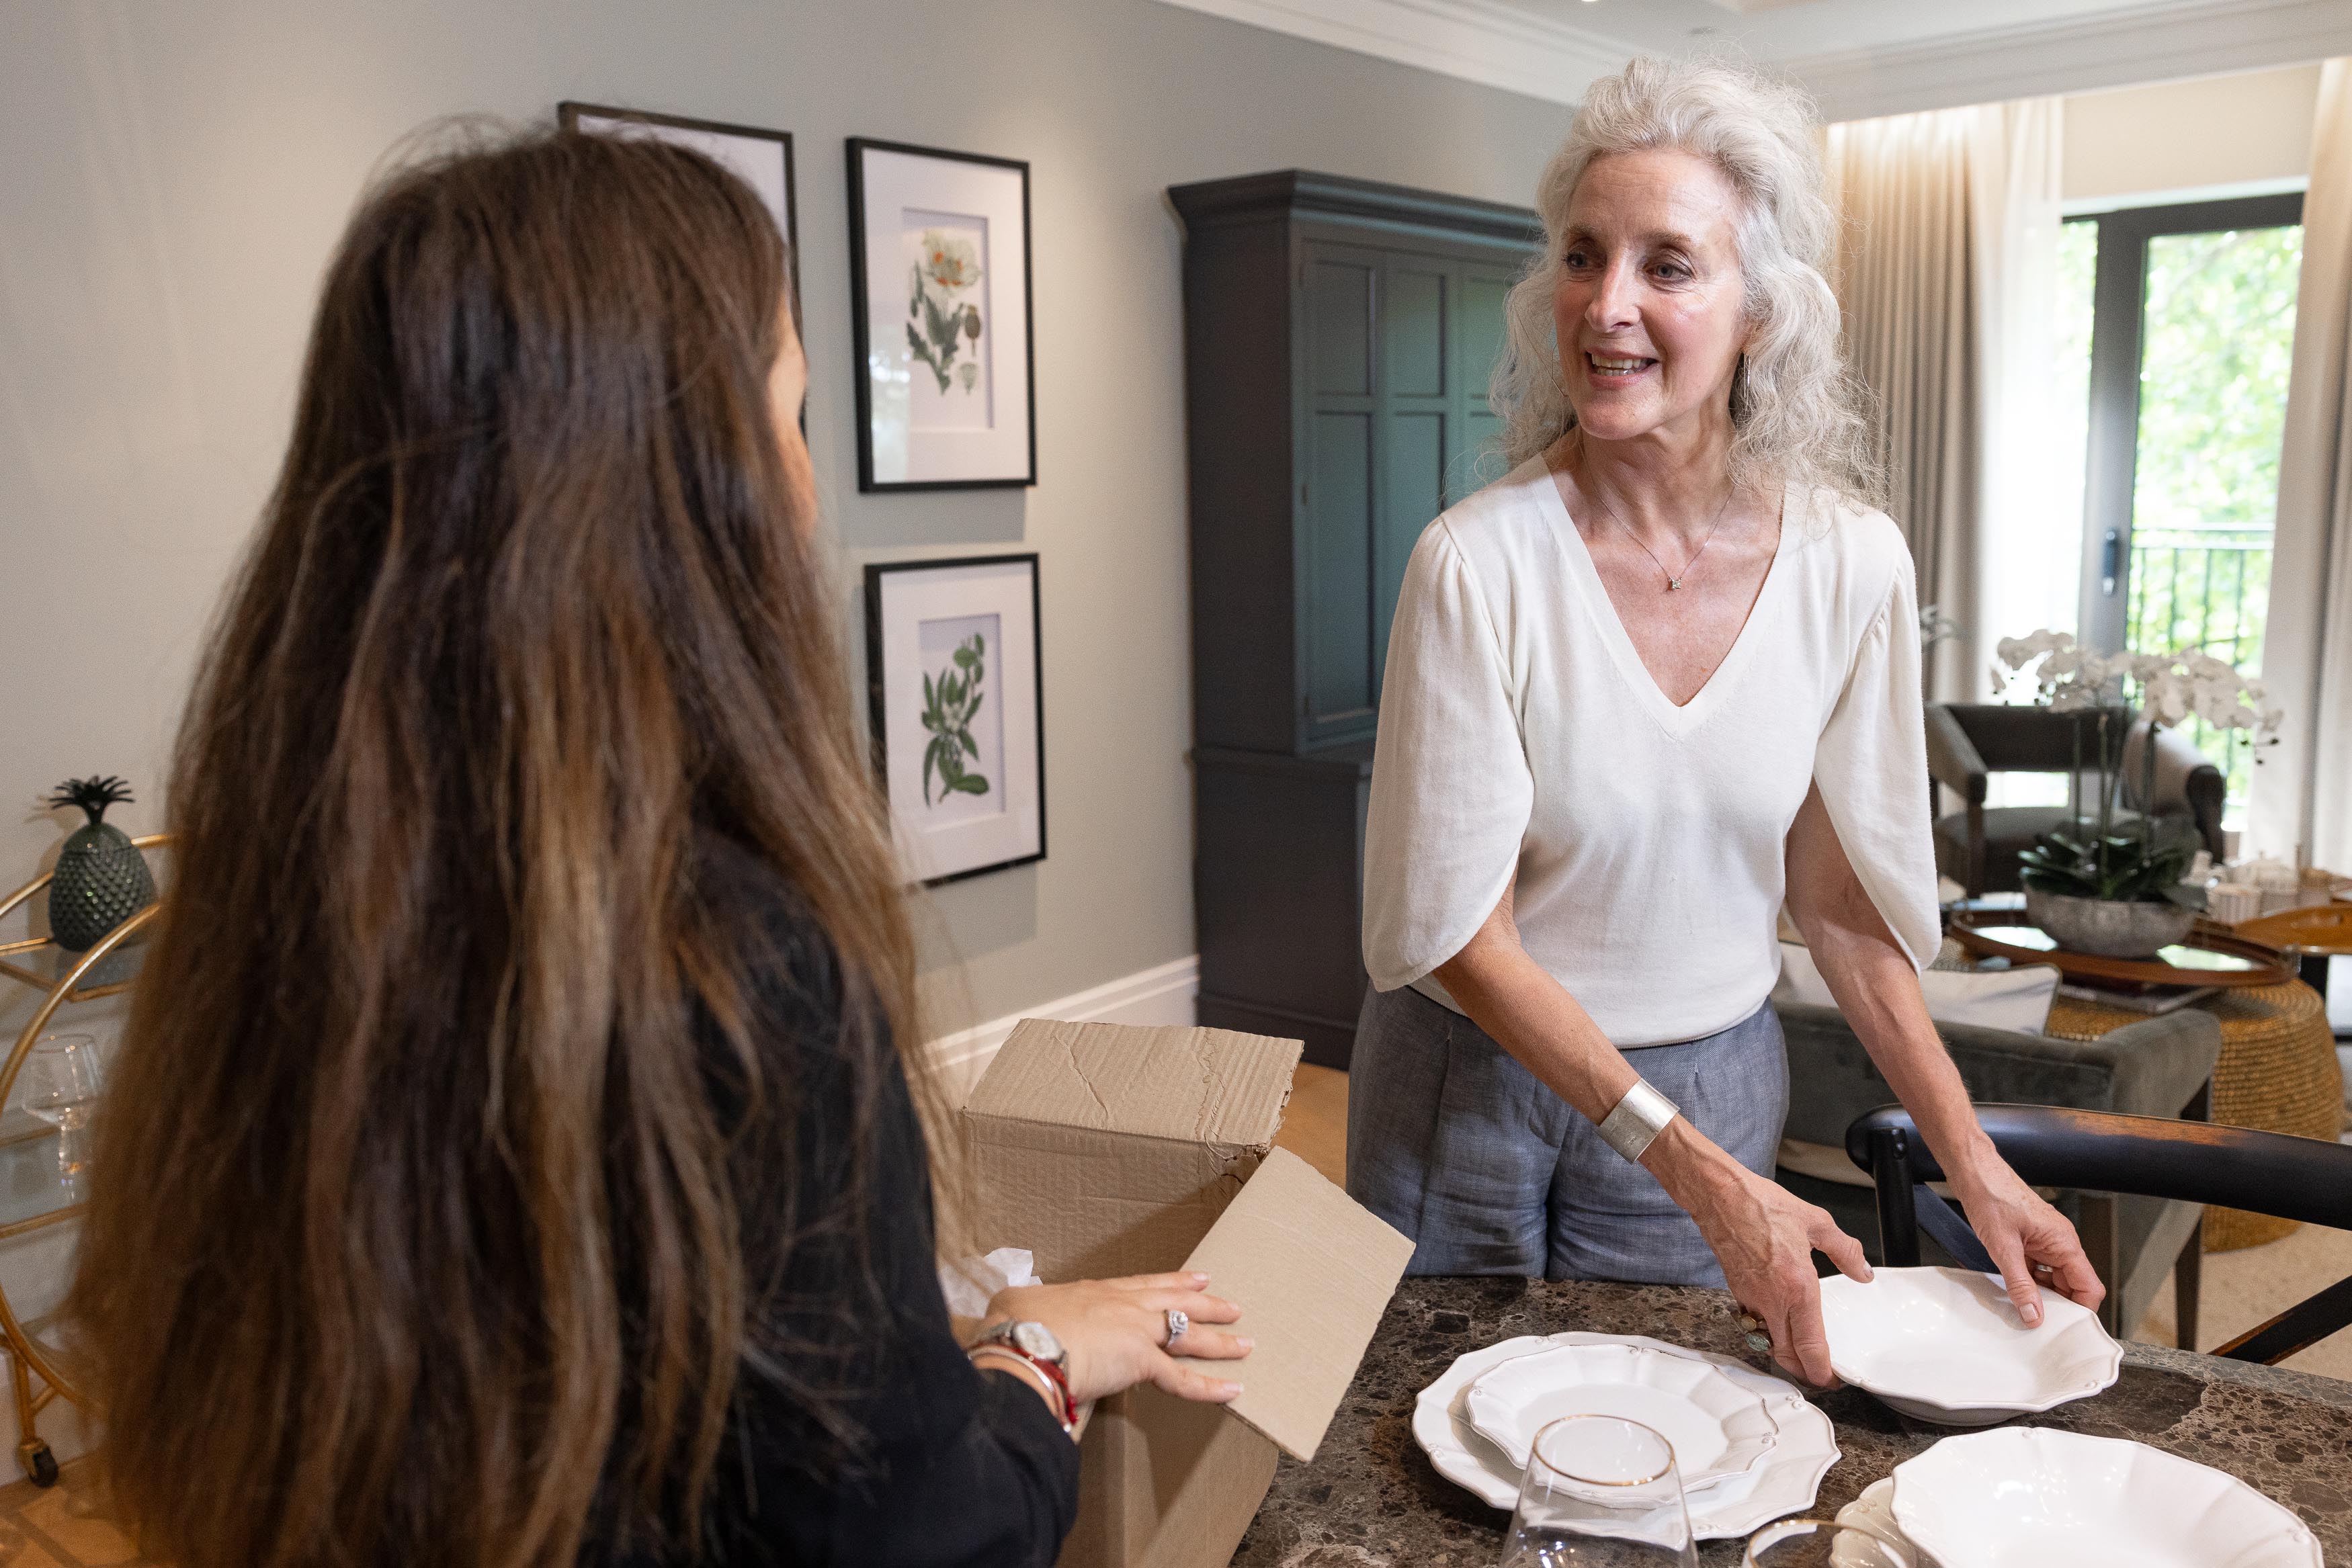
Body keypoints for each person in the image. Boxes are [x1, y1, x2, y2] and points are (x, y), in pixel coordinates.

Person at [69, 126, 1245, 1568]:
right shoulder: (738, 969)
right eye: (796, 417)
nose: (812, 494)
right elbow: (897, 1544)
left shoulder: (280, 915)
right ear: (701, 489)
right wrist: (1031, 1375)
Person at [1348, 57, 2105, 1386]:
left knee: (1671, 1443)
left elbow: (1843, 911)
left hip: (1709, 1076)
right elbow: (1460, 938)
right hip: (1462, 1091)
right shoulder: (1476, 563)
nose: (1607, 305)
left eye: (1667, 265)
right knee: (1422, 1446)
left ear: (1758, 312)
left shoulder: (1849, 564)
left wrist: (1971, 1164)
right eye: (1583, 258)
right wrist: (1692, 1169)